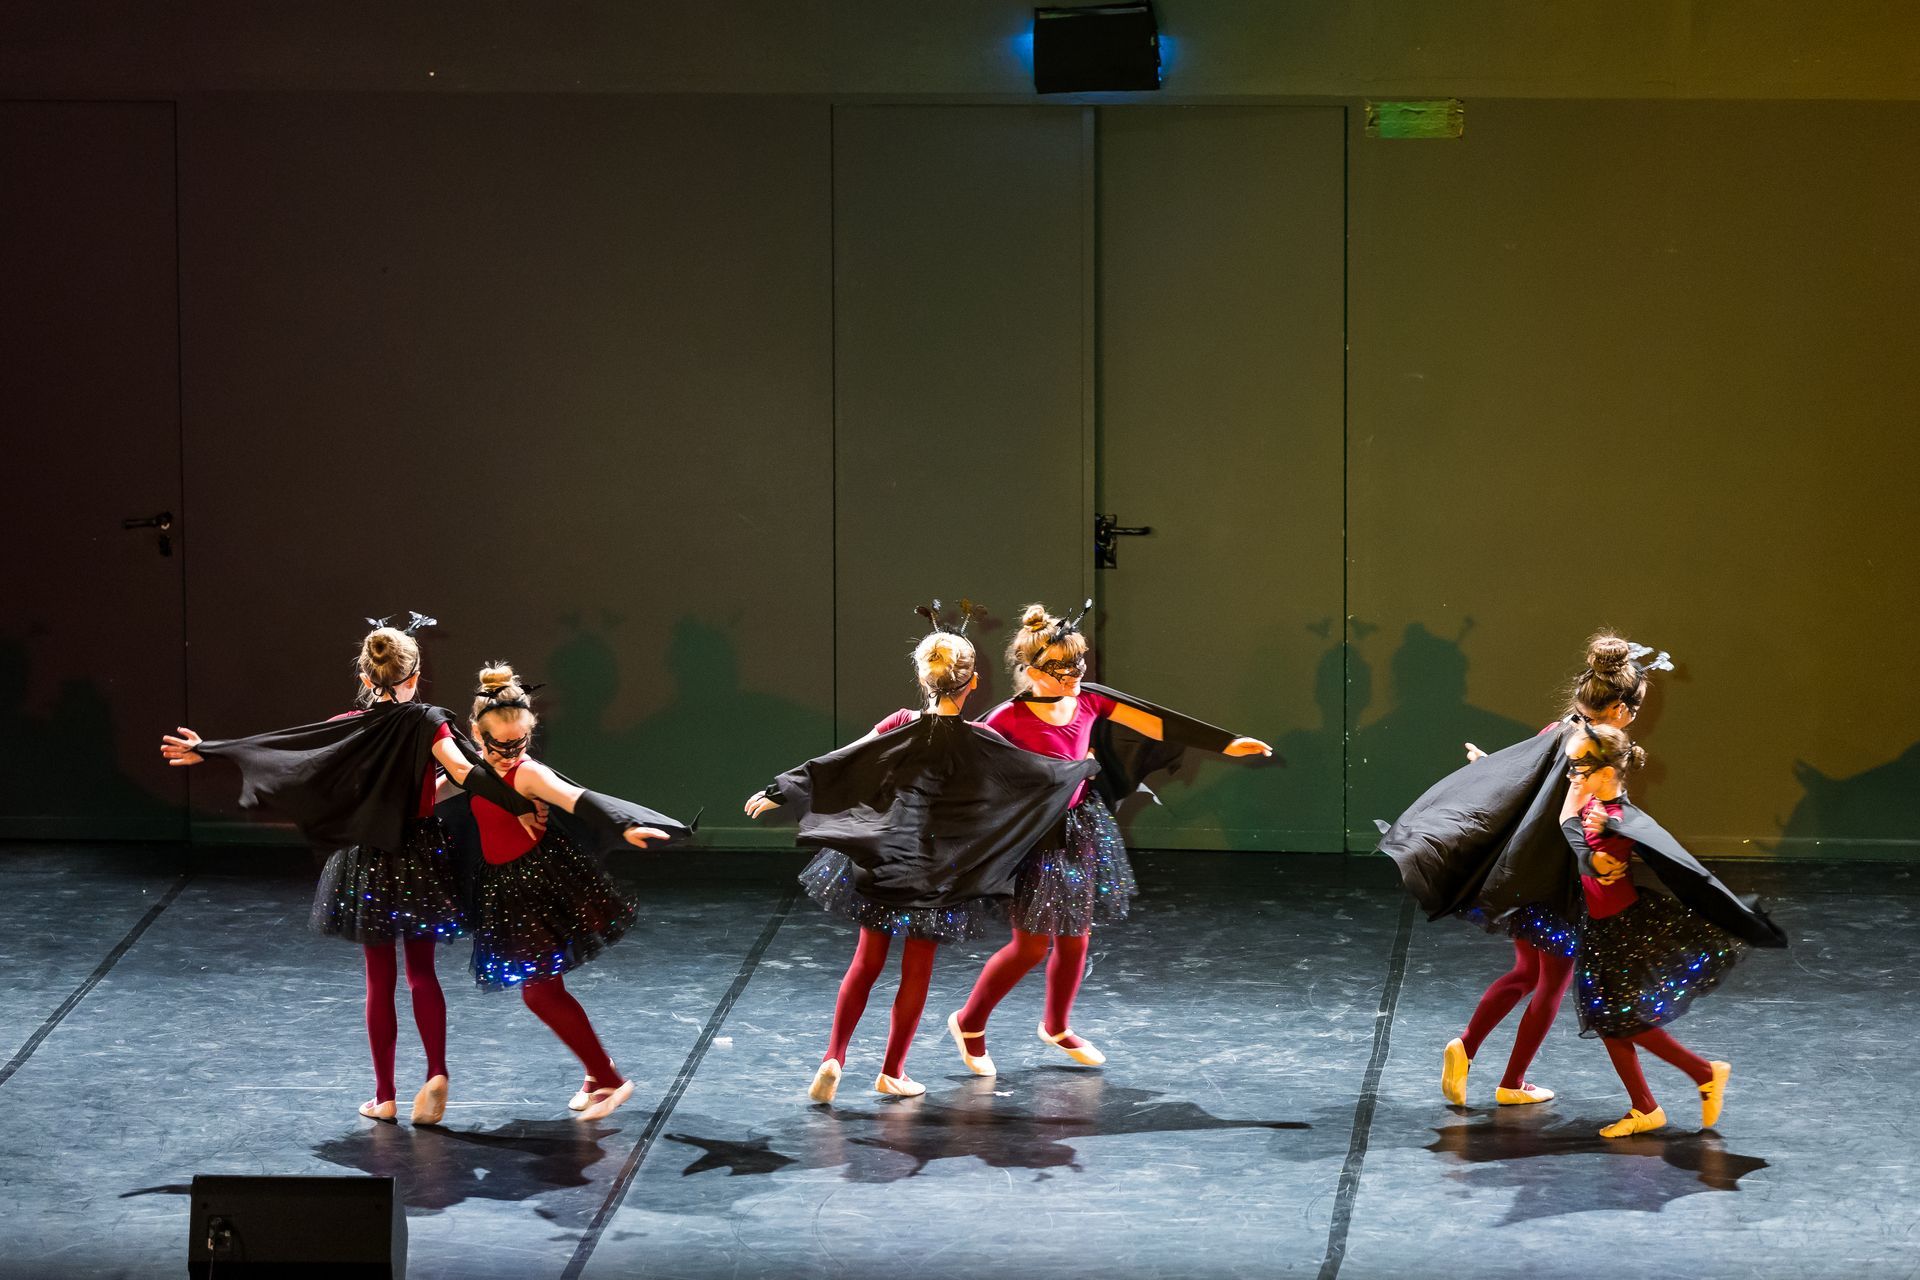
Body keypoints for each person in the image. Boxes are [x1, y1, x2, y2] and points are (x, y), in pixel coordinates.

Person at [748, 602, 1098, 1103]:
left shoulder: (900, 723)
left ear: (923, 676)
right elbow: (1037, 778)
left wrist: (781, 790)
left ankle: (835, 1055)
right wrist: (1081, 768)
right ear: (972, 682)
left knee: (865, 962)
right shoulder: (983, 740)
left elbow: (846, 760)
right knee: (916, 971)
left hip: (886, 858)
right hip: (936, 873)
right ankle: (893, 1071)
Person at [947, 601, 1272, 1074]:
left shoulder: (1090, 700)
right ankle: (970, 1021)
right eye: (1060, 668)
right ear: (1031, 669)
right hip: (1032, 839)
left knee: (1076, 937)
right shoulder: (1005, 720)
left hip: (1079, 827)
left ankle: (1056, 1026)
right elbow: (970, 777)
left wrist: (1225, 742)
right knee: (1033, 945)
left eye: (1077, 663)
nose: (1073, 675)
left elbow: (1157, 721)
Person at [460, 662, 689, 1122]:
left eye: (518, 744)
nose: (507, 754)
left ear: (530, 735)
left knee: (539, 993)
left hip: (534, 887)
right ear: (476, 734)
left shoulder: (528, 774)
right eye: (496, 745)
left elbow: (577, 799)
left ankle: (609, 1078)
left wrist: (626, 826)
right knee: (544, 988)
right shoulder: (476, 766)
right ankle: (593, 1074)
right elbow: (442, 785)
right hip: (504, 886)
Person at [1558, 722, 1785, 1136]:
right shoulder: (1593, 806)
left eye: (1580, 770)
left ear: (1607, 774)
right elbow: (1568, 823)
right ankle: (1646, 1105)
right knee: (1609, 1022)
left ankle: (1702, 1073)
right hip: (1599, 925)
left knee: (1620, 1021)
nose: (1573, 778)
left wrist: (1588, 854)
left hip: (1623, 930)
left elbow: (1600, 855)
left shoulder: (1621, 819)